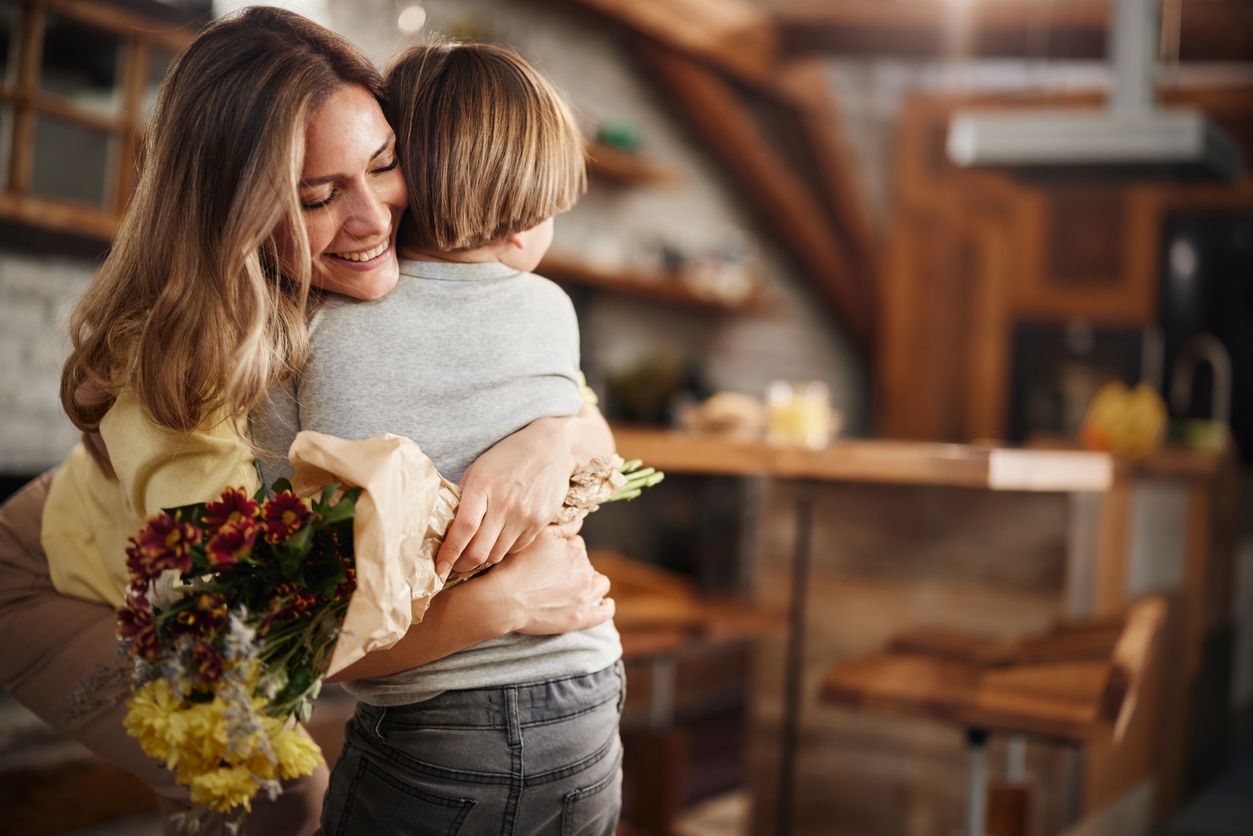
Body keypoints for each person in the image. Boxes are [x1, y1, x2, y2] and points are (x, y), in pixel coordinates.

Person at [0, 9, 613, 836]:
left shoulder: (359, 289)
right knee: (273, 788)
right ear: (237, 218)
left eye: (386, 164)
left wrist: (547, 437)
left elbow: (578, 417)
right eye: (319, 197)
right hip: (42, 571)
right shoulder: (190, 377)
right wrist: (498, 606)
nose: (374, 219)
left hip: (122, 517)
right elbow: (248, 642)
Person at [251, 41, 624, 835]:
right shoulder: (550, 311)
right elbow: (601, 455)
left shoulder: (306, 334)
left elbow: (288, 562)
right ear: (522, 225)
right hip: (585, 687)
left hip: (430, 722)